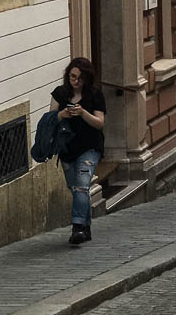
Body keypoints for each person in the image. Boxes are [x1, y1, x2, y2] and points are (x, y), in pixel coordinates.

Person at [50, 57, 106, 245]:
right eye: (73, 76)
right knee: (75, 189)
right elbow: (51, 120)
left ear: (87, 79)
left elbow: (99, 123)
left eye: (80, 78)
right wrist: (62, 114)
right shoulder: (60, 94)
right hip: (67, 148)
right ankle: (86, 228)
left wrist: (83, 113)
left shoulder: (95, 95)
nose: (75, 81)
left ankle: (77, 227)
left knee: (82, 185)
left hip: (89, 147)